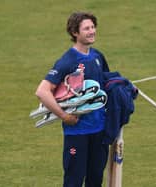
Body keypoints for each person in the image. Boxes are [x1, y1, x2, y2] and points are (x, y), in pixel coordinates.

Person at [35, 12, 110, 187]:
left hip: (99, 131)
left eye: (93, 27)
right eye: (86, 28)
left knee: (95, 180)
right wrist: (64, 116)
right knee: (74, 182)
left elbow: (107, 85)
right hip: (77, 133)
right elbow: (42, 91)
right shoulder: (67, 60)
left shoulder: (98, 56)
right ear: (75, 33)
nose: (92, 31)